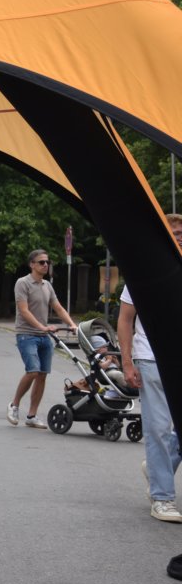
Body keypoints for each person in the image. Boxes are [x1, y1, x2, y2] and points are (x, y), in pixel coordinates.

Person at [118, 213, 182, 523]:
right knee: (158, 428)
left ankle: (158, 467)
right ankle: (162, 498)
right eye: (174, 233)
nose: (179, 237)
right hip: (151, 358)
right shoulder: (143, 271)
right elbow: (125, 319)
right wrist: (127, 362)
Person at [6, 249, 76, 429]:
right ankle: (14, 405)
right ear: (32, 264)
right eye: (41, 262)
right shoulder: (23, 283)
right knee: (33, 371)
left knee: (42, 375)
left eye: (47, 262)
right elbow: (23, 310)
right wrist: (42, 327)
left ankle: (32, 415)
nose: (46, 265)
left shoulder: (47, 285)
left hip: (44, 337)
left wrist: (72, 324)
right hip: (26, 334)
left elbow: (58, 308)